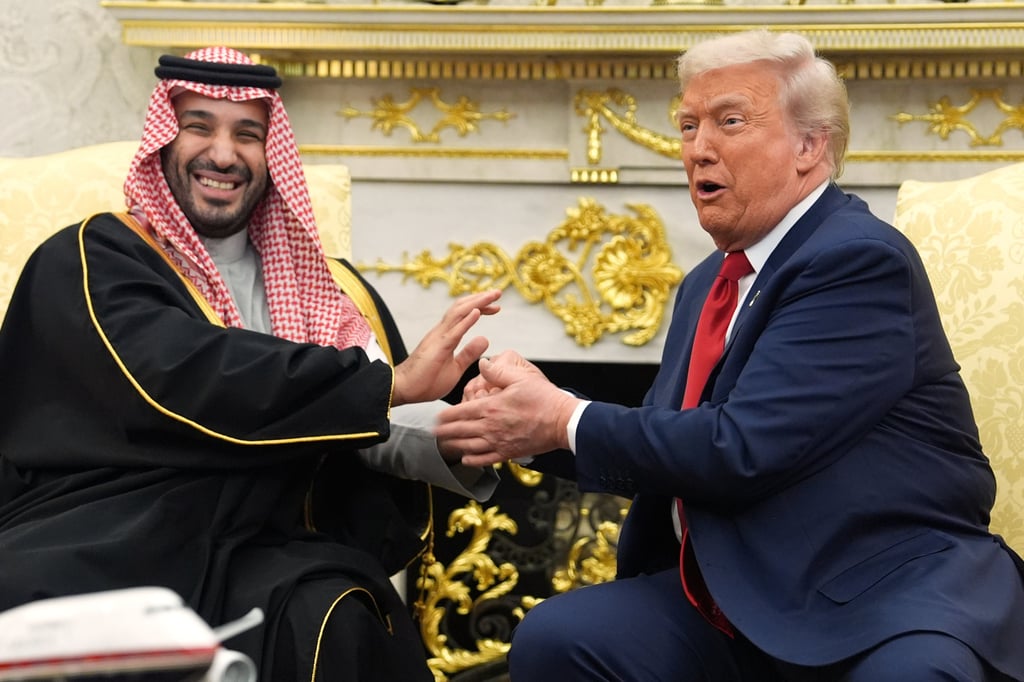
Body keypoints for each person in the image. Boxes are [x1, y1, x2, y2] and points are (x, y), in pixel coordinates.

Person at [435, 30, 1024, 681]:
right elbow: (675, 444)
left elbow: (741, 448)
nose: (697, 148)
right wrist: (522, 424)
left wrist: (562, 417)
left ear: (809, 144)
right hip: (737, 598)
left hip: (878, 599)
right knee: (560, 637)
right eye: (687, 126)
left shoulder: (856, 260)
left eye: (730, 121)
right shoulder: (706, 286)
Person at [0, 47, 503, 681]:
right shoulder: (95, 257)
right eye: (199, 126)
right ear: (162, 138)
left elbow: (344, 431)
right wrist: (387, 386)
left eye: (248, 134)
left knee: (337, 612)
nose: (222, 153)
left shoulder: (329, 290)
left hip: (262, 541)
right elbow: (192, 376)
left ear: (273, 154)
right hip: (115, 532)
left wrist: (459, 441)